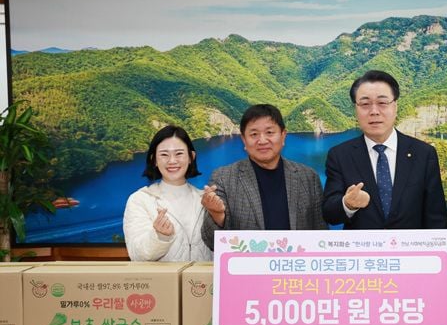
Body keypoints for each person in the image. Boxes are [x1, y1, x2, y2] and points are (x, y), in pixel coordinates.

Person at [322, 70, 447, 229]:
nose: (374, 111)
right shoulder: (340, 155)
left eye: (382, 103)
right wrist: (348, 204)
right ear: (356, 109)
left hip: (410, 245)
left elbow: (436, 217)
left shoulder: (424, 153)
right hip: (363, 245)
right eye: (365, 104)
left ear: (395, 106)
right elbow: (329, 214)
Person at [201, 104, 326, 250]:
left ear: (283, 135)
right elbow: (212, 243)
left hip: (296, 263)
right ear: (244, 140)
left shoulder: (308, 177)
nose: (262, 140)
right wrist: (217, 215)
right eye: (254, 134)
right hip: (250, 264)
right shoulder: (223, 178)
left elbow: (321, 234)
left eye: (269, 132)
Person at [123, 125, 212, 262]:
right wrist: (159, 236)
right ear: (154, 160)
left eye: (179, 153)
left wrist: (218, 213)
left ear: (191, 157)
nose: (172, 161)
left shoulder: (206, 200)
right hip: (163, 277)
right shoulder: (140, 200)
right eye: (164, 155)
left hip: (202, 276)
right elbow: (137, 255)